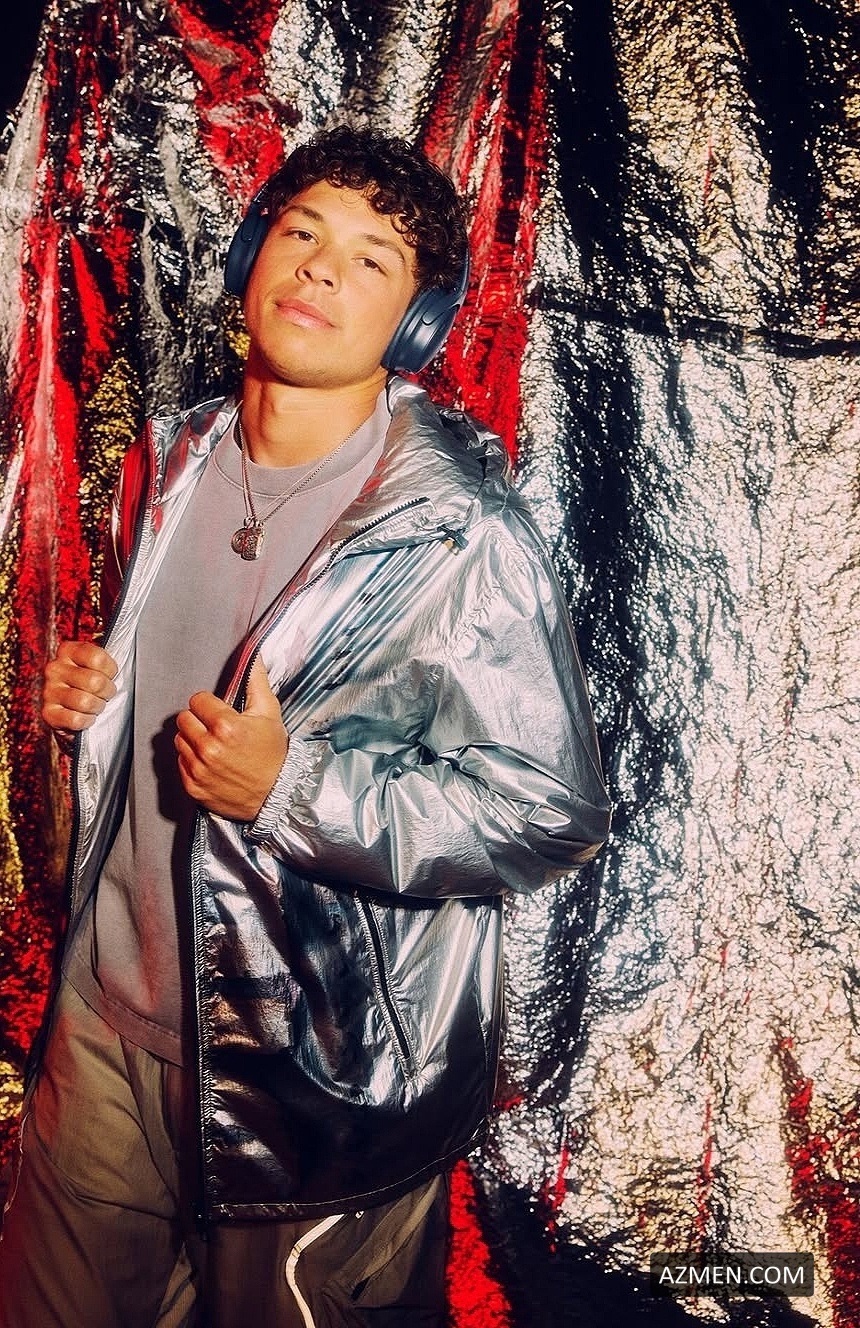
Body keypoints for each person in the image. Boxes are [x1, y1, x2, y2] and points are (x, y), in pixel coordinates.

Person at [0, 125, 611, 1327]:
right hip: (103, 1023)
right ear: (250, 257)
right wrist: (91, 704)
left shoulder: (458, 534)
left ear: (415, 323)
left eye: (371, 259)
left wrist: (292, 789)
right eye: (301, 232)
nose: (323, 267)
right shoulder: (172, 459)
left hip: (314, 1078)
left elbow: (548, 811)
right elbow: (162, 694)